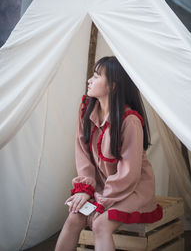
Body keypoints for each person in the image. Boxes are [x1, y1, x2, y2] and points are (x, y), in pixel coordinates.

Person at [55, 56, 163, 251]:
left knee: (100, 225)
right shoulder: (87, 111)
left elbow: (129, 174)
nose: (90, 80)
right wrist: (84, 189)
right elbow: (82, 156)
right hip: (103, 188)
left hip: (132, 190)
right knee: (73, 217)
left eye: (96, 76)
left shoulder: (130, 121)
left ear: (112, 86)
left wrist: (102, 202)